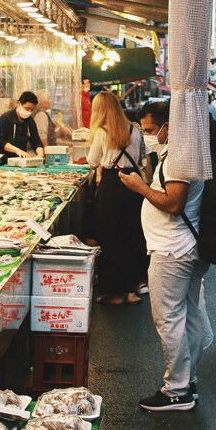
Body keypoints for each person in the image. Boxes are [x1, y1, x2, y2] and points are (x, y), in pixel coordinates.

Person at [119, 99, 207, 412]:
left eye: (151, 130)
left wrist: (138, 186)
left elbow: (173, 204)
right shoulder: (183, 151)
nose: (148, 136)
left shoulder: (180, 156)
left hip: (173, 249)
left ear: (169, 126)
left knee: (169, 318)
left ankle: (177, 390)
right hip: (181, 246)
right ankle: (187, 380)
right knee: (187, 316)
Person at [87, 90, 147, 306]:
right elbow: (141, 157)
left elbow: (93, 161)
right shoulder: (135, 129)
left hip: (112, 185)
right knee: (132, 237)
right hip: (134, 184)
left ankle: (113, 293)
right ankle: (131, 291)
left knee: (111, 237)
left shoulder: (102, 132)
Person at [0, 91, 44, 159]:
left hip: (19, 161)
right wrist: (17, 151)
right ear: (19, 104)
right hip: (2, 160)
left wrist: (40, 155)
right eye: (27, 108)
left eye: (32, 109)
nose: (29, 112)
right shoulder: (5, 118)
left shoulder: (30, 121)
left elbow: (36, 141)